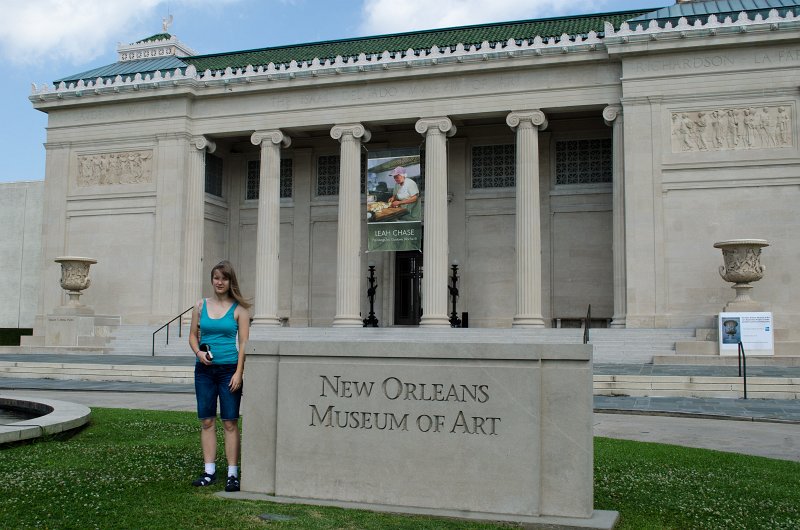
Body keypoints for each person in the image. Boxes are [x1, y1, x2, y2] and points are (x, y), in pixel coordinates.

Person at [188, 260, 251, 492]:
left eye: (224, 278)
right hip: (203, 370)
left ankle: (233, 474)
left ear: (230, 281)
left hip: (228, 370)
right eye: (216, 277)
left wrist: (239, 372)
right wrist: (198, 353)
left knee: (230, 422)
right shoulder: (200, 306)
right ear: (211, 280)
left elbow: (244, 343)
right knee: (206, 420)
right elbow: (193, 336)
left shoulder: (240, 309)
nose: (219, 282)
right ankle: (209, 471)